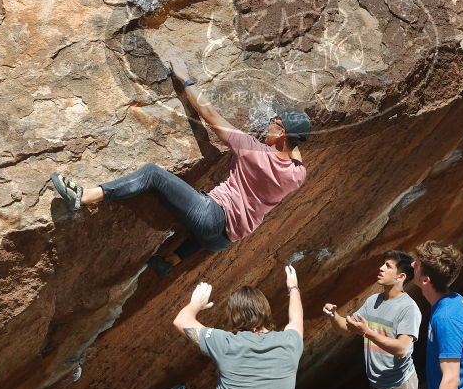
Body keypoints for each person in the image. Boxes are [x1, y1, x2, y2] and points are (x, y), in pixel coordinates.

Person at [50, 58, 310, 275]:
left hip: (212, 217)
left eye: (274, 123)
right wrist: (290, 135)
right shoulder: (297, 175)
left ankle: (85, 196)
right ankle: (171, 260)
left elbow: (210, 116)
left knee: (152, 174)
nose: (269, 124)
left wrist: (185, 80)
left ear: (282, 134)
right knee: (202, 233)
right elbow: (294, 152)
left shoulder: (252, 151)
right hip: (223, 241)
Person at [172, 266, 304, 389]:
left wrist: (196, 303)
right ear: (266, 310)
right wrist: (293, 287)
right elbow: (296, 318)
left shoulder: (226, 344)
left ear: (233, 316)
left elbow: (181, 320)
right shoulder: (290, 343)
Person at [322, 251, 422, 389]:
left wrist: (367, 332)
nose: (381, 268)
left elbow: (402, 349)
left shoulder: (408, 309)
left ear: (400, 276)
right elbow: (346, 328)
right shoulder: (373, 301)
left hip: (398, 386)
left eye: (388, 266)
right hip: (377, 383)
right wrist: (333, 315)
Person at [411, 240, 463, 389]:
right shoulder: (455, 301)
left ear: (426, 280)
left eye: (417, 264)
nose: (412, 265)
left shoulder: (446, 317)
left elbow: (450, 381)